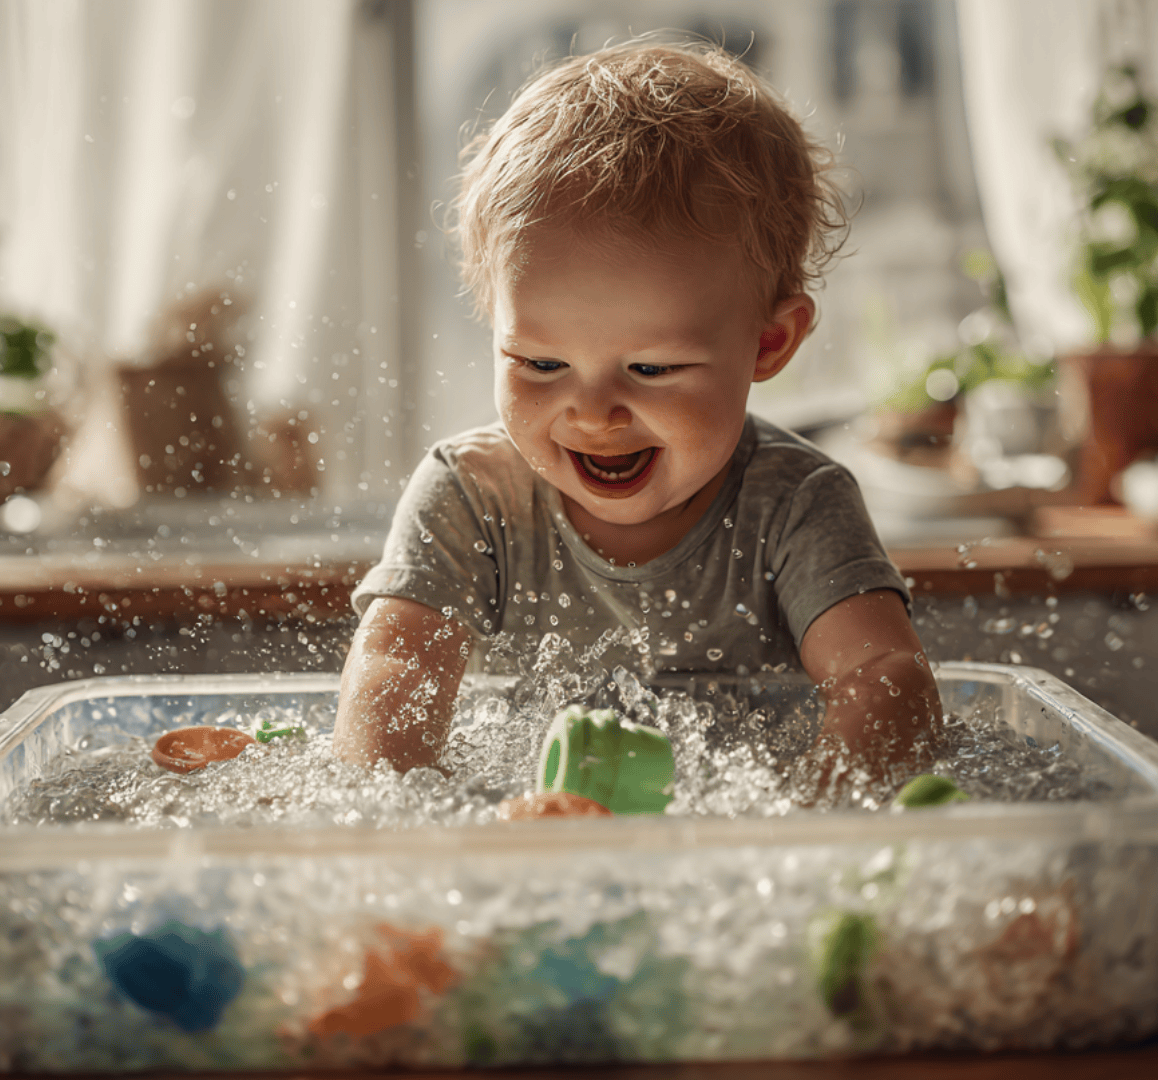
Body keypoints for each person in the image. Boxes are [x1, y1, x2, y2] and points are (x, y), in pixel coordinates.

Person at [332, 39, 940, 795]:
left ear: (768, 341)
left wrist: (805, 830)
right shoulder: (472, 498)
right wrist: (400, 824)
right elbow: (399, 667)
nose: (591, 412)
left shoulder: (795, 506)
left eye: (650, 369)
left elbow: (882, 677)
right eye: (539, 364)